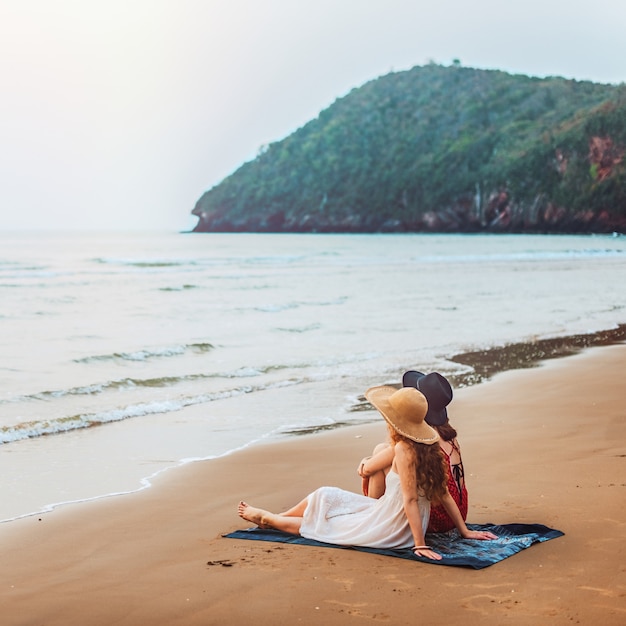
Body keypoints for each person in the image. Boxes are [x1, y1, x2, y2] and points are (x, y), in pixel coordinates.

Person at [238, 385, 496, 561]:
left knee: (329, 526)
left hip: (395, 524)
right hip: (390, 511)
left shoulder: (405, 449)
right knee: (326, 494)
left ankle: (269, 520)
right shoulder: (429, 444)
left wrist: (419, 544)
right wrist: (464, 531)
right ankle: (277, 517)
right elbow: (443, 494)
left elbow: (409, 500)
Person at [358, 371, 467, 533]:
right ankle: (372, 512)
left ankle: (371, 517)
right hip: (460, 510)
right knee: (384, 451)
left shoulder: (417, 442)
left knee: (380, 452)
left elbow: (366, 470)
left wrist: (365, 462)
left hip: (437, 516)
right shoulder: (450, 437)